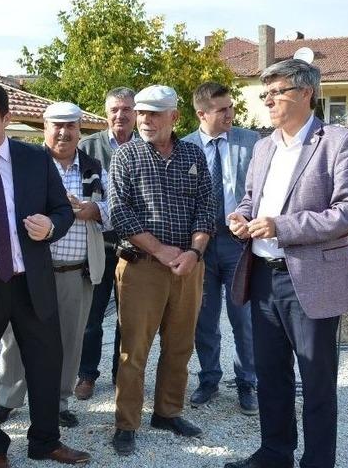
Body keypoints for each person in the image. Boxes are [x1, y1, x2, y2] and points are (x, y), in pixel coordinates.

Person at [224, 59, 348, 468]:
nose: (268, 101)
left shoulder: (339, 141)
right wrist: (241, 216)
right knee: (271, 375)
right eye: (264, 93)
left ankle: (318, 462)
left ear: (306, 93)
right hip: (263, 277)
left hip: (311, 279)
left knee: (317, 382)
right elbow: (252, 199)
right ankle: (275, 453)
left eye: (276, 92)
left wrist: (281, 226)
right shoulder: (264, 145)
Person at [0, 80, 89, 467]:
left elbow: (62, 210)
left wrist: (52, 225)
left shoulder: (34, 159)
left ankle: (46, 442)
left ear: (6, 118)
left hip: (33, 282)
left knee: (45, 364)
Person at [108, 85, 215, 456]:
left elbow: (206, 208)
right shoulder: (126, 156)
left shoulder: (193, 155)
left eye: (155, 113)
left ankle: (167, 412)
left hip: (187, 268)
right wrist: (162, 249)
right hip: (142, 269)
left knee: (180, 346)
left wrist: (194, 253)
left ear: (175, 117)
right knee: (133, 350)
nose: (146, 120)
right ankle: (126, 423)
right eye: (141, 113)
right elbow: (119, 212)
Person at [0, 101, 111, 428]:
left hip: (78, 270)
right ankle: (8, 398)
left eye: (70, 126)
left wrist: (94, 209)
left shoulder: (95, 166)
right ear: (44, 128)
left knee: (70, 341)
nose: (63, 132)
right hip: (31, 271)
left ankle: (57, 401)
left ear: (79, 130)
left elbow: (114, 210)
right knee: (17, 338)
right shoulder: (25, 163)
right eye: (56, 125)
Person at [181, 82, 259, 415]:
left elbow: (261, 190)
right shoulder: (184, 147)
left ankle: (247, 382)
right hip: (200, 245)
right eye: (221, 109)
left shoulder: (252, 142)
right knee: (204, 319)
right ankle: (209, 380)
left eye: (231, 107)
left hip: (238, 244)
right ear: (202, 113)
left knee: (243, 318)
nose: (230, 113)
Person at [75, 87, 137, 400]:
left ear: (136, 113)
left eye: (126, 109)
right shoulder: (87, 146)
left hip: (134, 246)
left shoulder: (145, 148)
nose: (120, 115)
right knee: (92, 315)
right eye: (114, 109)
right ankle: (86, 374)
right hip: (96, 243)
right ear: (106, 112)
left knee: (129, 317)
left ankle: (120, 375)